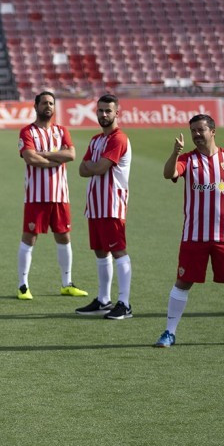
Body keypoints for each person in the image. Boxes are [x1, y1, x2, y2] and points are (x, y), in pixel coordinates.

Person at [154, 114, 224, 348]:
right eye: (193, 131)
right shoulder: (187, 159)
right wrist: (174, 153)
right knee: (183, 282)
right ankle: (169, 333)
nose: (196, 134)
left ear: (212, 131)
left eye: (200, 130)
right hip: (194, 236)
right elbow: (168, 174)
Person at [16, 90, 88, 300]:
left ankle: (67, 283)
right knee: (30, 237)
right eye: (44, 103)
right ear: (36, 106)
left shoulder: (61, 131)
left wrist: (45, 155)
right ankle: (23, 286)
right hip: (36, 196)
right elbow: (30, 158)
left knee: (64, 236)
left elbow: (71, 154)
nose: (48, 106)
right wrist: (55, 160)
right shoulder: (27, 132)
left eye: (51, 103)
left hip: (60, 195)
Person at [75, 94, 133, 320]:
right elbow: (82, 169)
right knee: (100, 251)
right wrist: (94, 166)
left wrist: (94, 166)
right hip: (95, 204)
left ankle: (125, 304)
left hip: (112, 204)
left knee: (118, 251)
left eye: (108, 111)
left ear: (117, 112)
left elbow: (98, 168)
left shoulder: (119, 139)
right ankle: (103, 299)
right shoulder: (96, 139)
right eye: (100, 110)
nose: (104, 114)